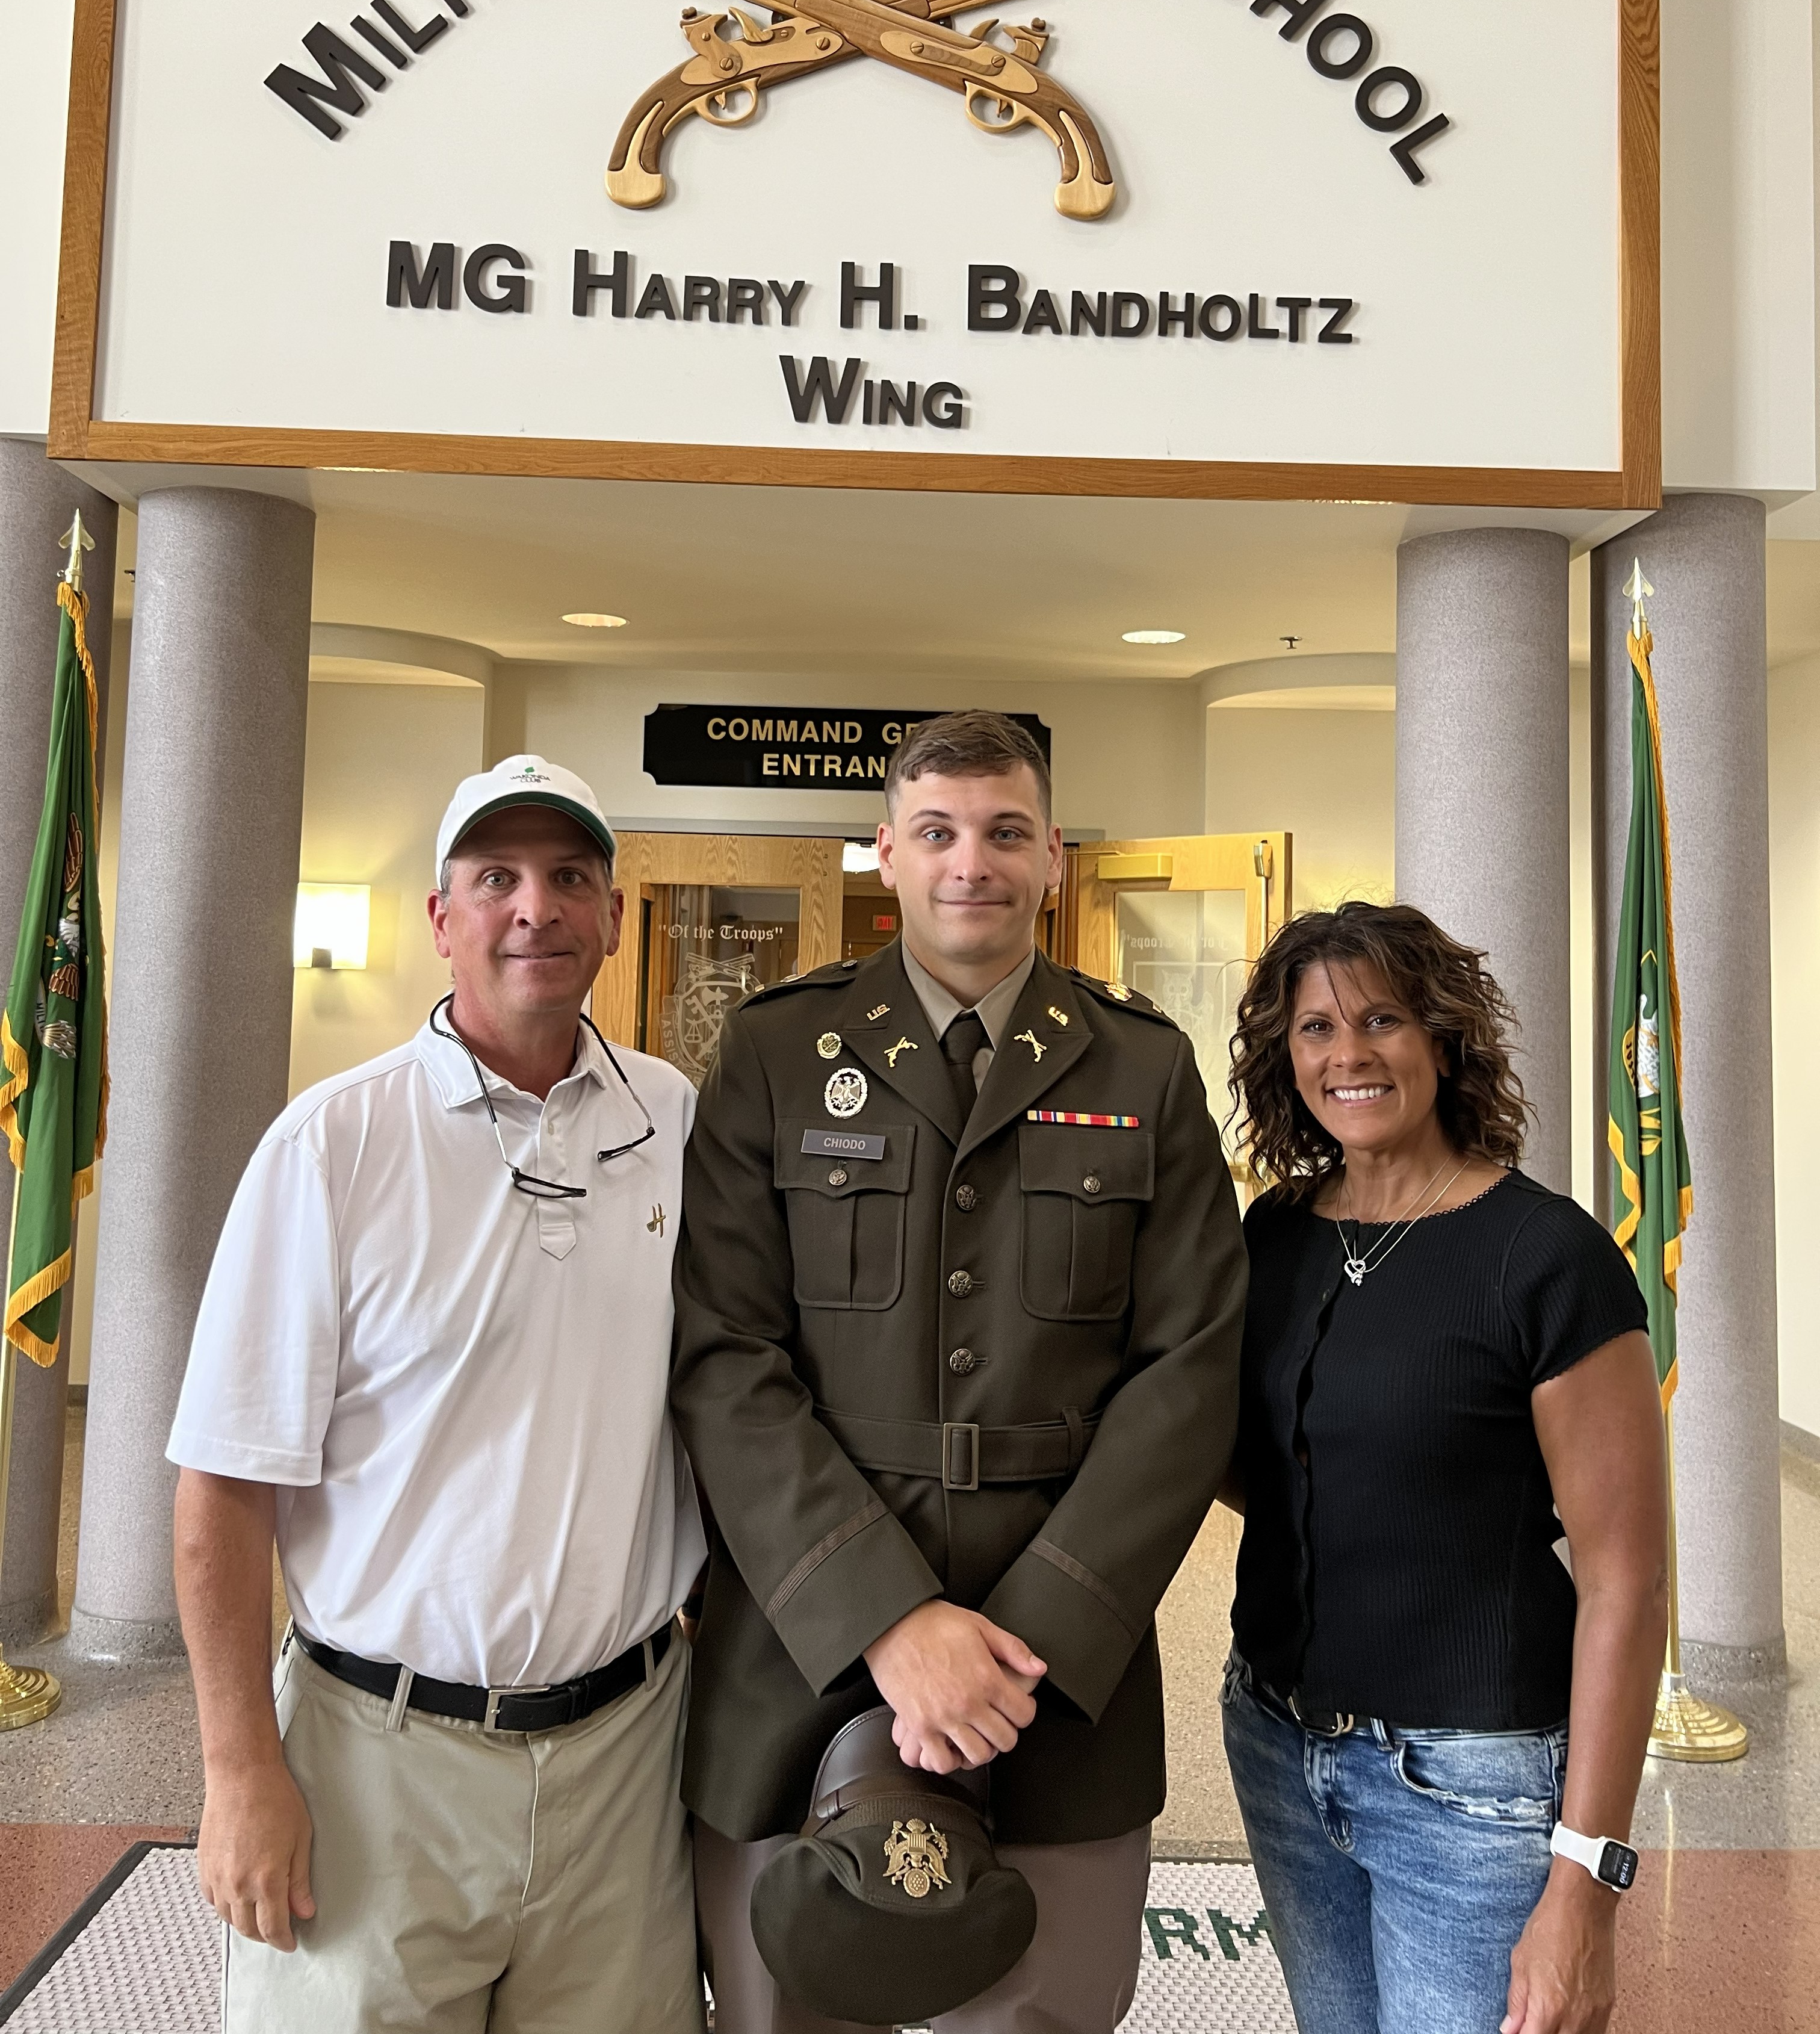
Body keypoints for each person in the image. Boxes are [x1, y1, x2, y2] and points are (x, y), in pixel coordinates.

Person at [671, 708, 1249, 2034]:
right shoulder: (774, 1053)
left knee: (1039, 2007)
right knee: (789, 2002)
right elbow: (723, 1355)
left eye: (1002, 832)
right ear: (885, 852)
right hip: (805, 1650)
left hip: (1057, 1671)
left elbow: (1190, 1370)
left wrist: (1017, 1652)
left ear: (1052, 853)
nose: (968, 863)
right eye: (935, 832)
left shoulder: (1144, 1067)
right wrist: (887, 1621)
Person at [167, 755, 706, 2034]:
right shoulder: (332, 1143)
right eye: (498, 879)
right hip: (377, 1764)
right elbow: (226, 1486)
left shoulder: (678, 1122)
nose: (538, 907)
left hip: (626, 1766)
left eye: (572, 877)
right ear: (442, 918)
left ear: (614, 917)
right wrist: (241, 1771)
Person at [1220, 901, 1669, 2034]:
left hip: (1471, 1789)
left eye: (1382, 1019)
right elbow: (1266, 1466)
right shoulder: (1273, 1234)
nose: (1348, 1053)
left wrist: (1586, 1881)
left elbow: (1628, 1582)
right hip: (1278, 1748)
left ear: (1445, 1039)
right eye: (1315, 1028)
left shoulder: (1544, 1256)